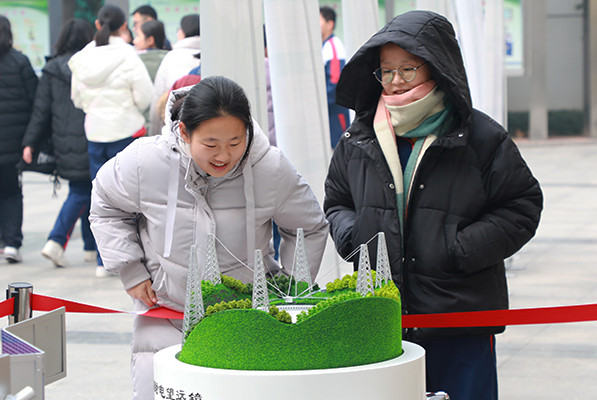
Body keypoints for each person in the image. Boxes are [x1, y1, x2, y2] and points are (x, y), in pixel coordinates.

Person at [323, 10, 543, 400]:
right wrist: (356, 239)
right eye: (386, 71)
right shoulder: (359, 137)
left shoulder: (481, 137)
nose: (395, 81)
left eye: (407, 69)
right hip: (382, 320)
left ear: (437, 68)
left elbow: (521, 205)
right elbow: (338, 201)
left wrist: (459, 248)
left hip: (459, 322)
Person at [90, 76, 329, 400]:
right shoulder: (145, 162)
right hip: (165, 312)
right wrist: (130, 269)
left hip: (244, 320)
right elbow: (105, 205)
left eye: (235, 142)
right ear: (184, 132)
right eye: (211, 144)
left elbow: (309, 228)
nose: (223, 156)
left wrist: (288, 290)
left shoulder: (270, 168)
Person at [68, 4, 154, 277]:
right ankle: (133, 259)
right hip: (125, 131)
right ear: (124, 26)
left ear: (97, 24)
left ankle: (102, 261)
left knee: (100, 196)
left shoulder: (82, 59)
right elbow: (145, 96)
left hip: (95, 132)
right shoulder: (128, 55)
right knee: (131, 197)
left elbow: (76, 99)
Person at [21, 19, 96, 268]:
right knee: (83, 190)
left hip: (64, 140)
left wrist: (30, 142)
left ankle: (90, 247)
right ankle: (55, 241)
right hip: (93, 135)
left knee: (85, 189)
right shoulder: (93, 66)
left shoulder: (52, 69)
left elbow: (40, 111)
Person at [0, 14, 38, 263]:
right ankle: (11, 243)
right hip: (13, 143)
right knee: (11, 191)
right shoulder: (20, 61)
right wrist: (30, 140)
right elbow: (35, 101)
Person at [148, 14, 201, 136]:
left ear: (184, 31)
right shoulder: (213, 55)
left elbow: (158, 96)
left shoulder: (172, 57)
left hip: (174, 127)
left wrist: (153, 133)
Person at [320, 6, 350, 149]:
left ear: (330, 24)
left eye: (318, 21)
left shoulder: (333, 46)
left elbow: (334, 81)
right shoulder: (323, 45)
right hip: (328, 111)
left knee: (340, 149)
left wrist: (320, 103)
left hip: (335, 112)